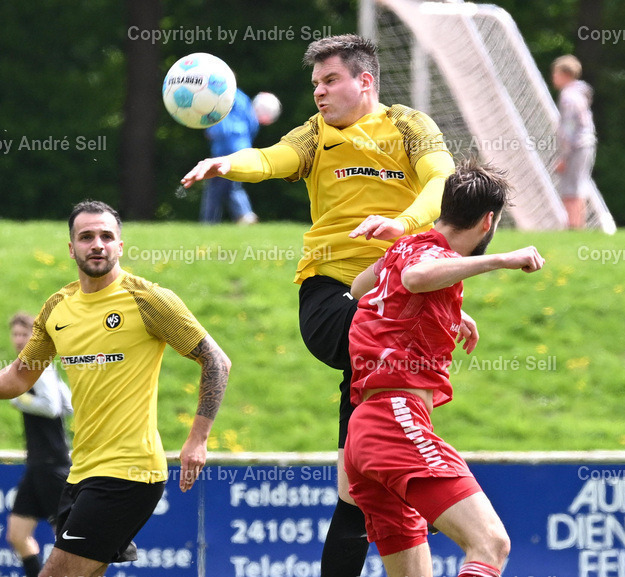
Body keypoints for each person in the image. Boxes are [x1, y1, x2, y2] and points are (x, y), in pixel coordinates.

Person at [181, 34, 457, 576]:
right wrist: (227, 164)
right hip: (331, 295)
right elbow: (271, 158)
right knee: (377, 344)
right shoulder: (316, 134)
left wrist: (401, 225)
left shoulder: (408, 126)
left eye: (330, 81)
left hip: (394, 301)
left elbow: (443, 183)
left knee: (357, 490)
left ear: (365, 81)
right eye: (315, 84)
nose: (319, 93)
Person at [0, 200, 230, 577]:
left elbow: (216, 361)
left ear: (121, 245)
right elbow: (24, 374)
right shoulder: (58, 308)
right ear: (71, 248)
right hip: (80, 471)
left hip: (129, 473)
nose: (97, 244)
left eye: (107, 236)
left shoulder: (149, 300)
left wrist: (197, 439)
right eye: (86, 237)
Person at [344, 159, 544, 577]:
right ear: (489, 221)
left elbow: (361, 287)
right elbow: (417, 278)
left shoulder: (406, 246)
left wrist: (450, 310)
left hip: (364, 430)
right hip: (395, 420)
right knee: (490, 543)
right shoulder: (427, 257)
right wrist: (502, 260)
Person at [5, 312, 73, 577]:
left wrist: (17, 396)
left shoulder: (38, 364)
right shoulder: (35, 366)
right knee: (17, 534)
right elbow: (68, 404)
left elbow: (54, 406)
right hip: (37, 465)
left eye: (25, 334)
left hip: (53, 465)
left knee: (67, 541)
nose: (20, 340)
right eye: (16, 335)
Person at [200, 89, 272, 225]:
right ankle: (243, 215)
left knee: (218, 186)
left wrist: (210, 131)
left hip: (226, 147)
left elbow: (220, 124)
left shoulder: (219, 96)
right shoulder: (243, 97)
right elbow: (253, 123)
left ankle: (213, 221)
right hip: (243, 147)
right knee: (230, 184)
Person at [550, 54, 597, 230]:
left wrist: (563, 156)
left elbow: (568, 129)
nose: (553, 77)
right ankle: (578, 225)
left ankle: (574, 225)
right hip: (585, 145)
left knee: (571, 189)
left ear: (565, 74)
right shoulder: (579, 94)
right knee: (578, 185)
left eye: (555, 73)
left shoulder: (568, 96)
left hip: (576, 147)